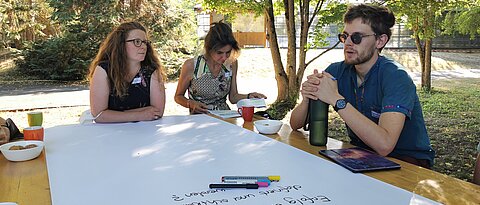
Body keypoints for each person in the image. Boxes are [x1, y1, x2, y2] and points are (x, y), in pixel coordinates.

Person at [290, 4, 435, 168]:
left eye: (357, 37)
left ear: (380, 41)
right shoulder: (337, 71)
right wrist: (307, 99)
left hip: (408, 163)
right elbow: (295, 125)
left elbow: (384, 145)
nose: (348, 43)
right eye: (345, 36)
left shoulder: (396, 77)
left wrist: (337, 100)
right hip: (362, 156)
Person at [174, 22, 266, 114]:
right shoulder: (192, 66)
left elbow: (233, 97)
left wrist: (249, 96)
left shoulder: (232, 63)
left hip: (225, 117)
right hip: (200, 118)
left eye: (228, 52)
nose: (224, 57)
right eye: (219, 53)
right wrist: (190, 104)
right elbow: (178, 96)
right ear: (209, 49)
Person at [88, 21, 166, 123]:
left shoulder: (151, 71)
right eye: (137, 42)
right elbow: (99, 115)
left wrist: (114, 114)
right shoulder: (104, 70)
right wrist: (140, 115)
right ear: (121, 44)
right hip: (110, 133)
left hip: (146, 133)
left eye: (145, 42)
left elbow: (157, 112)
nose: (143, 46)